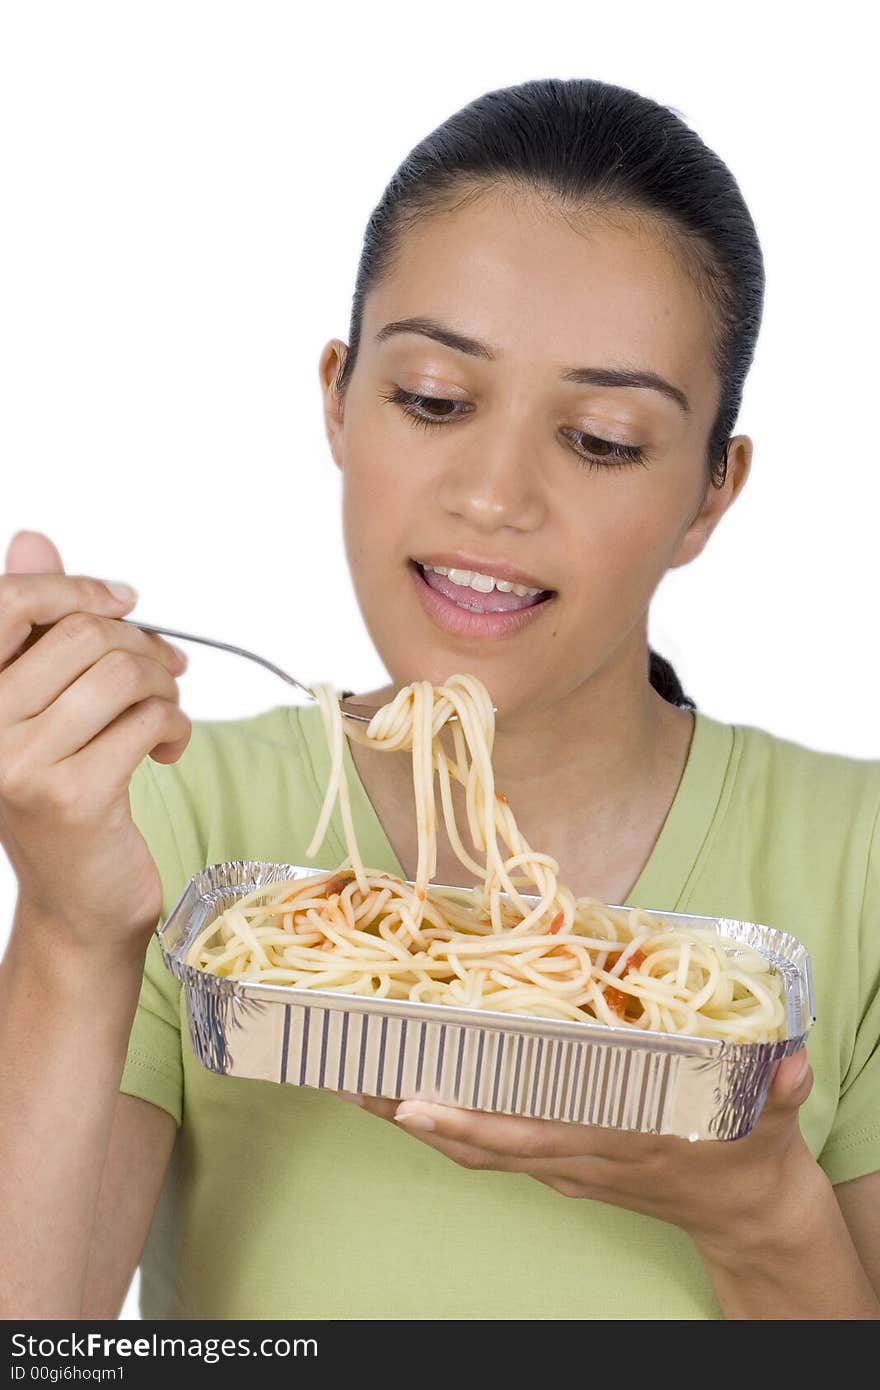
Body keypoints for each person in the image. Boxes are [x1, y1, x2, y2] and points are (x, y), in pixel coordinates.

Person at [1, 76, 878, 1322]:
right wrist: (68, 931)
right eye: (432, 400)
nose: (493, 495)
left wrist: (763, 1215)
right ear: (337, 401)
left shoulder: (861, 864)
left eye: (605, 439)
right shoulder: (168, 811)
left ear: (707, 496)